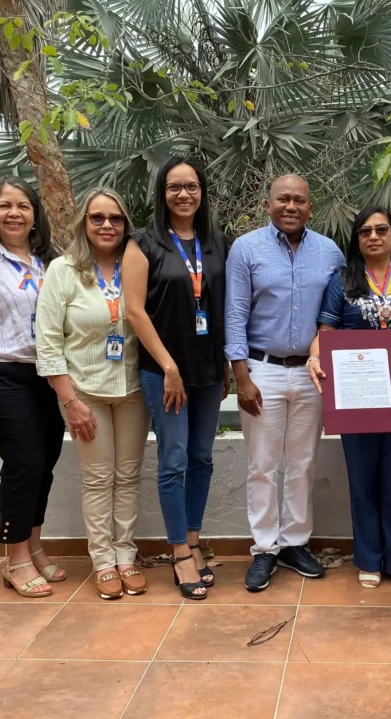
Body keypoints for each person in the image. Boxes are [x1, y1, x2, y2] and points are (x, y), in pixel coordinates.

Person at [225, 174, 344, 592]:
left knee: (303, 464)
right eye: (283, 199)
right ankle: (264, 548)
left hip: (313, 372)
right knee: (262, 465)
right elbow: (235, 314)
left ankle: (295, 543)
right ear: (268, 204)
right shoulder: (246, 248)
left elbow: (335, 313)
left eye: (299, 200)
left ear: (311, 207)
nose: (290, 207)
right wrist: (241, 376)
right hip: (263, 370)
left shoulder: (329, 251)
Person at [307, 206, 391, 590]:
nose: (373, 236)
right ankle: (368, 558)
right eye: (365, 232)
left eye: (381, 230)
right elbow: (325, 331)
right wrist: (314, 357)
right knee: (362, 480)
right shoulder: (342, 280)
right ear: (358, 240)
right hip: (355, 395)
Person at [122, 157, 230, 600]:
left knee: (202, 457)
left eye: (191, 186)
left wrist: (225, 366)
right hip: (164, 372)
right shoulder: (143, 243)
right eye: (173, 187)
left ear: (202, 192)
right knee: (174, 460)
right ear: (161, 193)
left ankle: (193, 537)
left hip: (207, 371)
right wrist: (168, 366)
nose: (183, 194)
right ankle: (179, 553)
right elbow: (134, 311)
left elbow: (225, 307)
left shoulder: (218, 242)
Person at [36, 188, 151, 600]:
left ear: (126, 225)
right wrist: (70, 402)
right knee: (99, 478)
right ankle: (103, 561)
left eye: (115, 219)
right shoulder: (63, 271)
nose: (107, 225)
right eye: (97, 218)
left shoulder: (137, 266)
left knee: (129, 476)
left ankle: (126, 555)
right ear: (84, 223)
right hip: (85, 392)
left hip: (134, 390)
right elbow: (47, 342)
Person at [0, 177, 64, 598]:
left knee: (44, 465)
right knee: (22, 465)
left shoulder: (50, 261)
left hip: (50, 375)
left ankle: (35, 546)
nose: (14, 214)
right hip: (6, 375)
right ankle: (15, 559)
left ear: (34, 214)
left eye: (23, 206)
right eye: (5, 206)